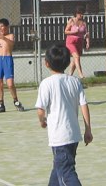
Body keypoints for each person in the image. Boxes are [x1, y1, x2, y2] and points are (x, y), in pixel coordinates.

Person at [35, 43, 93, 185]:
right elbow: (84, 105)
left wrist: (42, 121)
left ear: (46, 63)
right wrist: (88, 130)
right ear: (68, 62)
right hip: (73, 135)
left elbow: (40, 110)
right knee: (59, 168)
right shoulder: (74, 81)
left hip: (59, 137)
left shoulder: (46, 83)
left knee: (66, 172)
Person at [64, 7, 90, 79]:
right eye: (80, 13)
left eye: (82, 13)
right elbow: (66, 31)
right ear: (76, 14)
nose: (82, 15)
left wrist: (87, 42)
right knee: (77, 57)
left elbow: (86, 34)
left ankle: (69, 76)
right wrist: (74, 32)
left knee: (75, 60)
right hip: (71, 42)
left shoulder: (84, 23)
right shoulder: (71, 21)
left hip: (79, 42)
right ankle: (81, 75)